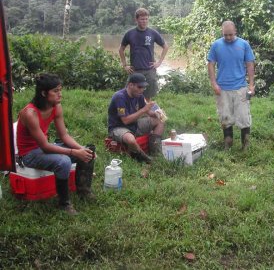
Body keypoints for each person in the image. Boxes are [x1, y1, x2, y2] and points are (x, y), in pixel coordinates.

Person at [16, 73, 96, 215]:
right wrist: (73, 152)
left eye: (60, 90)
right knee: (64, 161)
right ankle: (64, 204)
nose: (60, 94)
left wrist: (80, 149)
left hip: (43, 148)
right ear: (43, 93)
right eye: (56, 91)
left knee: (88, 150)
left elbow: (64, 136)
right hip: (29, 154)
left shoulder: (56, 107)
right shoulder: (29, 113)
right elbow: (45, 146)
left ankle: (84, 190)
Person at [207, 20, 255, 150]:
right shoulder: (216, 45)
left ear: (235, 32)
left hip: (241, 87)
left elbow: (250, 64)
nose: (228, 37)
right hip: (222, 89)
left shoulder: (244, 44)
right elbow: (210, 64)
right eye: (225, 35)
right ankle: (228, 144)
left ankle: (245, 145)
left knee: (244, 117)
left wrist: (251, 84)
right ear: (222, 32)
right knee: (225, 117)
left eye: (230, 35)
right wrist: (213, 83)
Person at [108, 73, 165, 163]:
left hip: (134, 124)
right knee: (131, 139)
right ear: (130, 85)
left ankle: (155, 151)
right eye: (139, 87)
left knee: (159, 121)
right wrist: (143, 110)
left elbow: (149, 112)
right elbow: (125, 120)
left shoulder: (139, 96)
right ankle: (144, 158)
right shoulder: (119, 97)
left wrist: (157, 113)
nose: (142, 90)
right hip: (118, 127)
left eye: (143, 87)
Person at [119, 8, 169, 101]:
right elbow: (121, 49)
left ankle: (145, 113)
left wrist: (159, 63)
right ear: (136, 19)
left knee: (147, 96)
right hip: (134, 70)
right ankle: (131, 113)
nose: (144, 21)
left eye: (146, 19)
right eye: (142, 19)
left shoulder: (152, 33)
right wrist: (124, 65)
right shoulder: (130, 34)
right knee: (129, 94)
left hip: (149, 70)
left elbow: (165, 46)